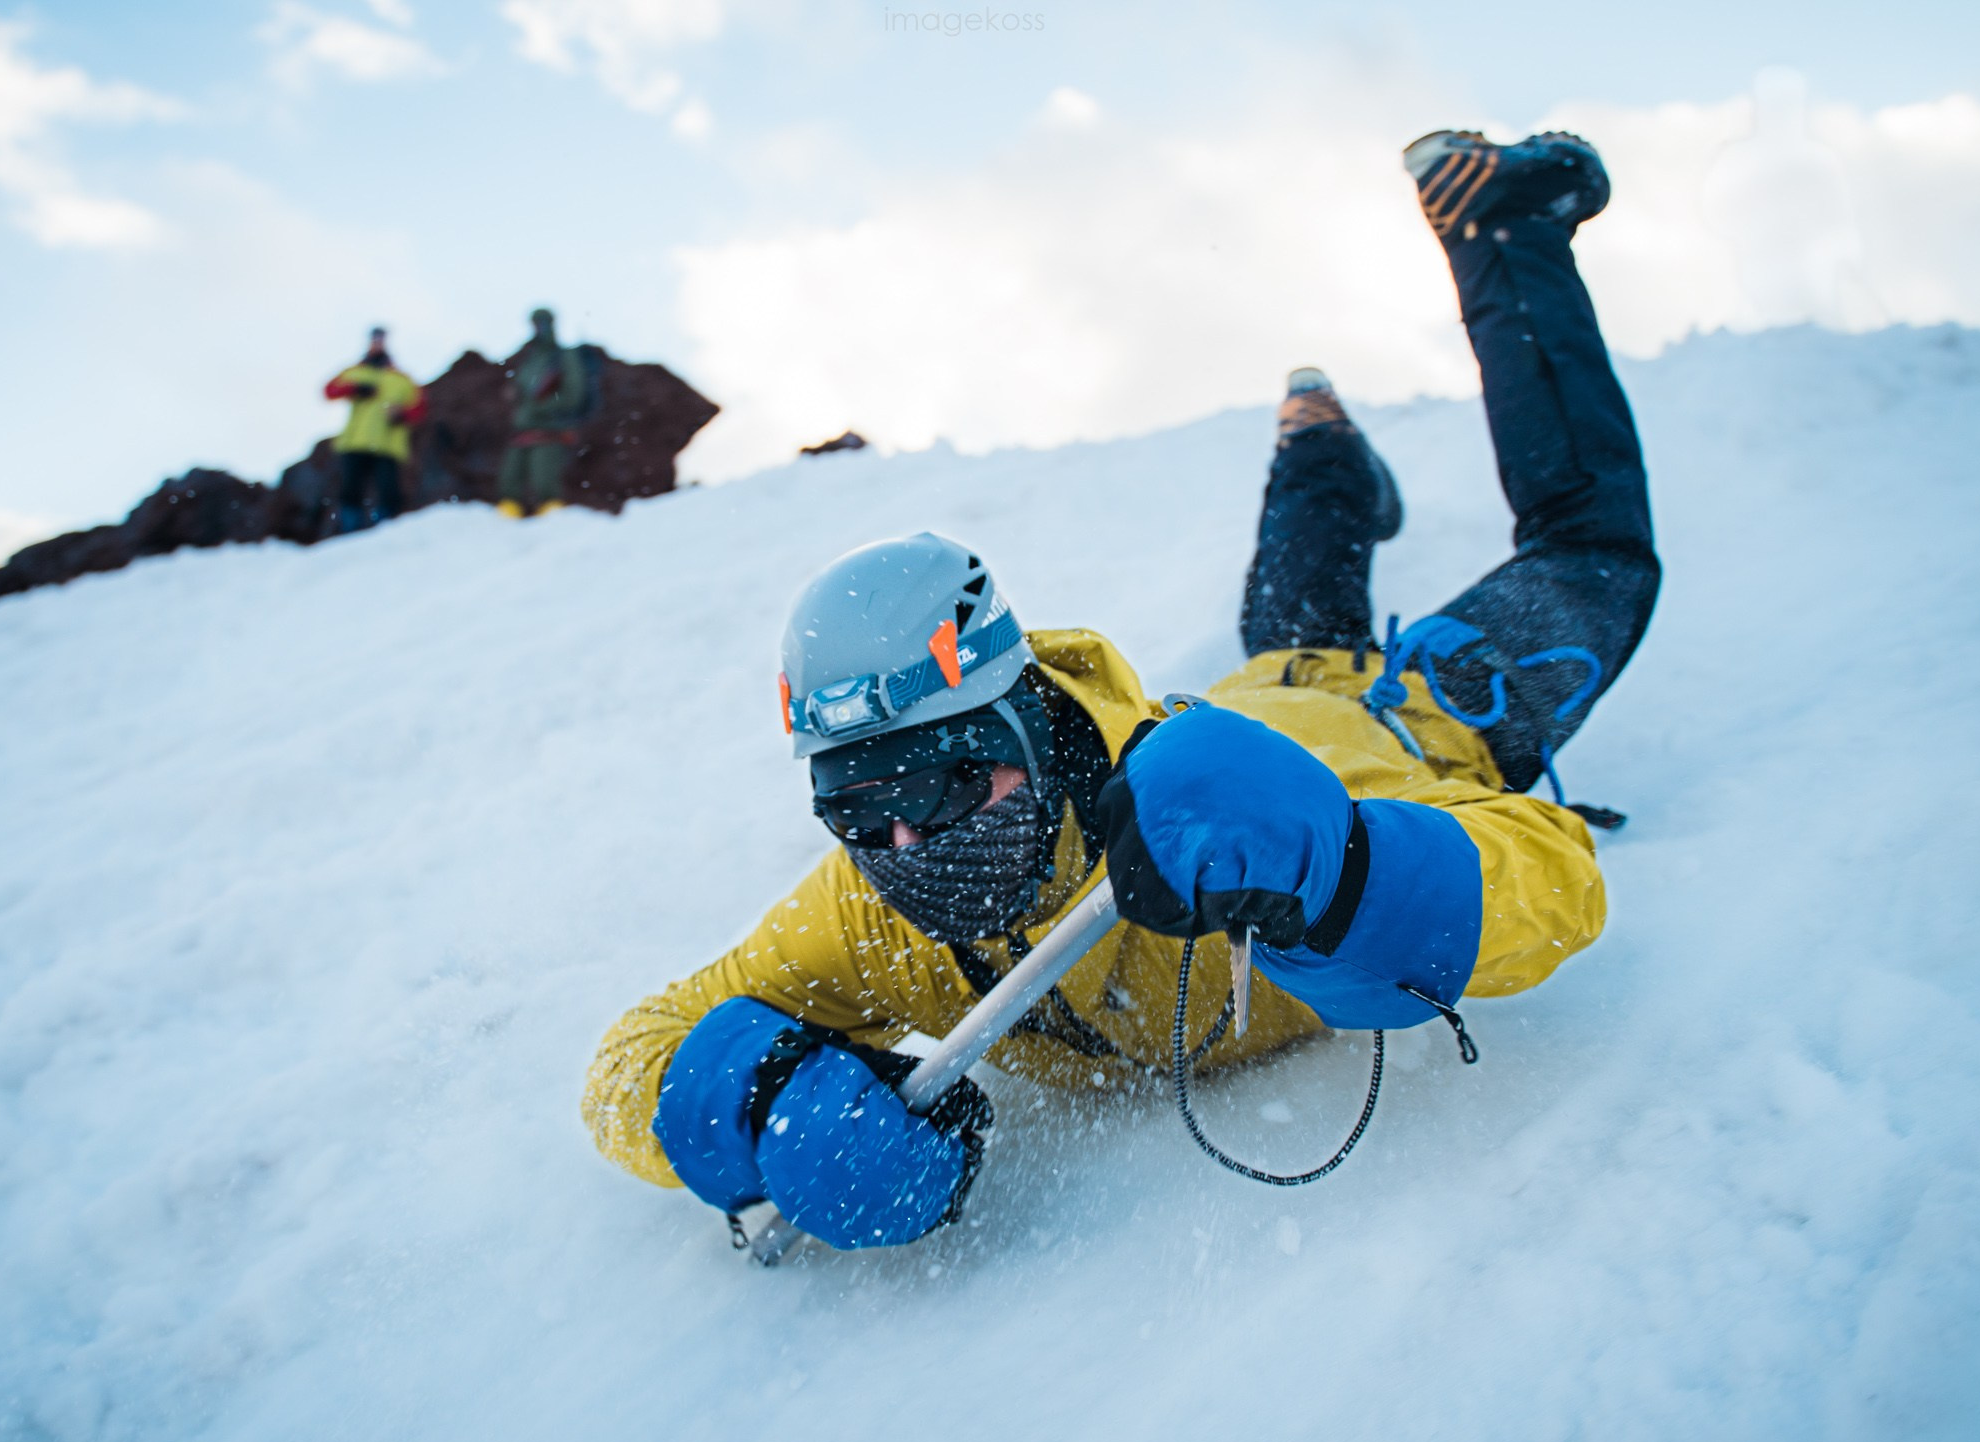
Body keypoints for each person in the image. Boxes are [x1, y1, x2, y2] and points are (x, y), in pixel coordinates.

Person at [583, 130, 1659, 1251]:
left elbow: (1559, 880)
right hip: (1262, 684)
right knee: (1293, 611)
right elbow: (635, 1048)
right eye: (855, 811)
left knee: (1594, 554)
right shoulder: (874, 910)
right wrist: (753, 1103)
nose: (903, 836)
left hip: (1415, 714)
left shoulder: (1228, 839)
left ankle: (1509, 231)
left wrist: (1342, 873)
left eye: (947, 782)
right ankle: (1321, 446)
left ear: (1028, 728)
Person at [498, 309, 600, 518]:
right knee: (509, 482)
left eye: (542, 323)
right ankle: (504, 530)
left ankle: (553, 527)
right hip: (523, 429)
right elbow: (523, 393)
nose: (538, 328)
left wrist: (543, 407)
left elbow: (574, 394)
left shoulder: (563, 357)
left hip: (551, 429)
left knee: (545, 484)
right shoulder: (530, 360)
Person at [323, 328, 426, 533]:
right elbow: (329, 391)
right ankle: (350, 530)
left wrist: (402, 415)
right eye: (374, 339)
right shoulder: (356, 372)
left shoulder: (401, 379)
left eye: (380, 340)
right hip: (356, 442)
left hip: (387, 446)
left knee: (388, 491)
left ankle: (384, 530)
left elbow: (420, 409)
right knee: (351, 489)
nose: (377, 343)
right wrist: (355, 389)